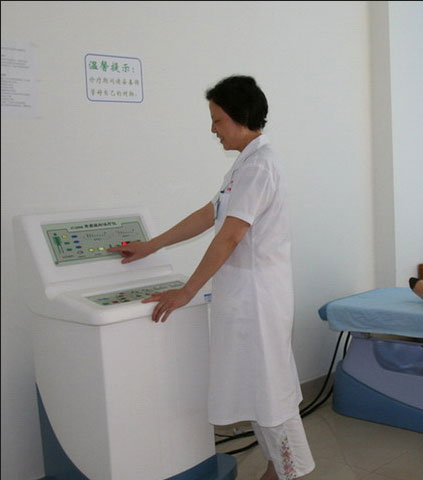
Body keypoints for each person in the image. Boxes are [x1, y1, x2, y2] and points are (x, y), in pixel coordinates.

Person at [108, 75, 315, 480]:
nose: (213, 129)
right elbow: (210, 214)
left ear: (241, 117)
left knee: (270, 391)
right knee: (260, 388)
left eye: (218, 120)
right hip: (246, 296)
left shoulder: (259, 166)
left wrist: (187, 291)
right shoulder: (246, 164)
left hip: (258, 300)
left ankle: (291, 471)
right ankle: (277, 469)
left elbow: (230, 236)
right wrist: (152, 245)